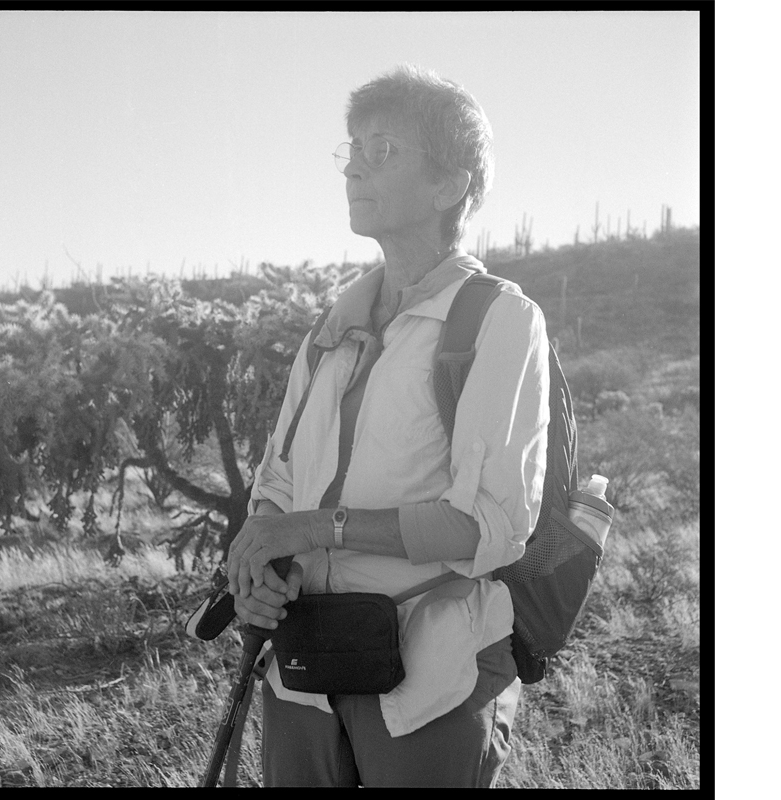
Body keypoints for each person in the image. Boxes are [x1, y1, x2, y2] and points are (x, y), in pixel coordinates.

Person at [226, 64, 549, 788]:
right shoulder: (331, 327)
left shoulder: (498, 319)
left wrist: (312, 530)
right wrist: (260, 572)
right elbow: (276, 485)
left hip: (432, 682)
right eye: (353, 150)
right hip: (303, 677)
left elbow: (488, 525)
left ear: (449, 186)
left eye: (384, 150)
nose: (355, 170)